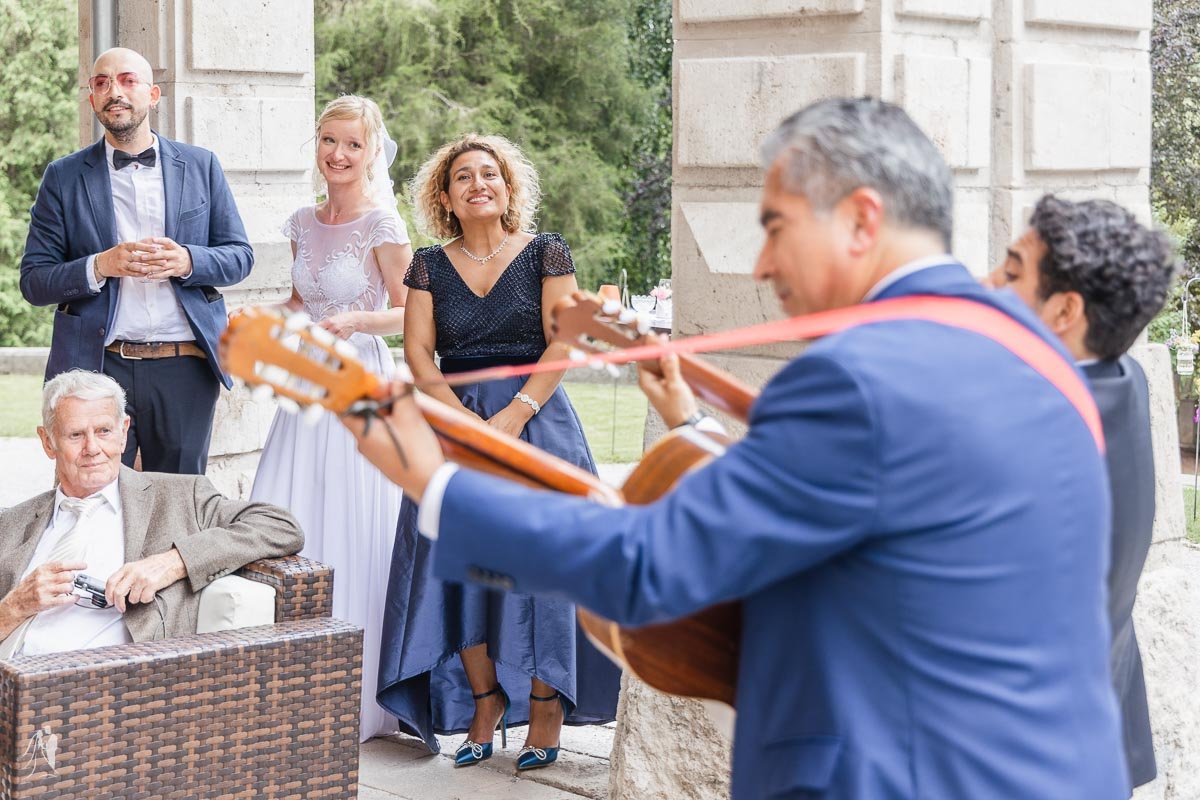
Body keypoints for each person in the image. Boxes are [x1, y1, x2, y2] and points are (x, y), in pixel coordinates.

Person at [344, 99, 1130, 798]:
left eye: (776, 226)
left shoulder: (857, 374)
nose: (760, 263)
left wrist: (433, 482)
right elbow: (876, 513)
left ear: (860, 218)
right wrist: (689, 425)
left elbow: (651, 564)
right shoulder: (1039, 359)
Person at [376, 134, 619, 770]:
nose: (478, 183)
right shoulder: (427, 264)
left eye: (490, 174)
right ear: (446, 197)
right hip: (452, 426)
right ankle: (483, 703)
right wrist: (461, 424)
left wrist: (515, 414)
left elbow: (562, 342)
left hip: (536, 419)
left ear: (508, 190)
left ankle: (545, 707)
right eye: (463, 177)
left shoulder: (546, 252)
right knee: (454, 568)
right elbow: (419, 356)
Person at [988, 195, 1177, 791]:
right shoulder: (1126, 380)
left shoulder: (1018, 424)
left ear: (1065, 310)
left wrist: (687, 430)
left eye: (1013, 271)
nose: (988, 281)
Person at [248, 95, 412, 742]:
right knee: (294, 517)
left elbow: (413, 312)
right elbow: (298, 300)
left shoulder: (384, 225)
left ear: (373, 151)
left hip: (360, 381)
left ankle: (362, 688)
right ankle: (289, 681)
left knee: (353, 520)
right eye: (328, 141)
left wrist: (358, 321)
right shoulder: (301, 220)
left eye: (352, 143)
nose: (338, 155)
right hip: (305, 388)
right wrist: (263, 318)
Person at [19, 47, 253, 475]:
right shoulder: (63, 176)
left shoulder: (201, 165)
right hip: (97, 367)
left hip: (186, 364)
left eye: (127, 80)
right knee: (94, 500)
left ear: (153, 94)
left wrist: (186, 260)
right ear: (91, 99)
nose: (115, 92)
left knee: (180, 503)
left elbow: (240, 257)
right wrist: (100, 265)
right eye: (102, 83)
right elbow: (34, 281)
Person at [0, 371, 303, 659]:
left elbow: (281, 526)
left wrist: (174, 561)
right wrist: (15, 606)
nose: (92, 448)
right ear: (47, 442)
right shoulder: (12, 524)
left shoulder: (180, 496)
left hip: (109, 690)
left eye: (104, 431)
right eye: (76, 435)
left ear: (123, 432)